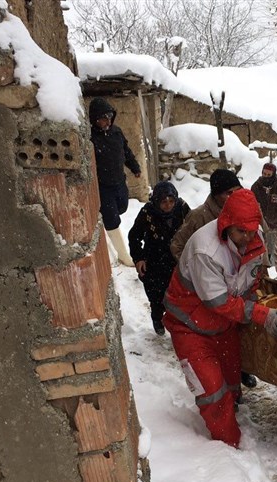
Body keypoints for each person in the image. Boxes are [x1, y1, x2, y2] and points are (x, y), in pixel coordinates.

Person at [163, 189, 277, 448]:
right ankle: (227, 449)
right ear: (226, 224)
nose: (247, 237)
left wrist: (256, 300)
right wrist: (259, 314)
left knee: (232, 380)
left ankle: (234, 418)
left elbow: (250, 281)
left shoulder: (255, 238)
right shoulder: (205, 251)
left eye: (252, 230)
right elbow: (218, 301)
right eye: (241, 231)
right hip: (189, 326)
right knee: (213, 391)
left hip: (223, 325)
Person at [128, 181, 191, 336]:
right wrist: (139, 258)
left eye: (171, 201)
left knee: (180, 296)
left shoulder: (182, 208)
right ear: (156, 201)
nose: (168, 205)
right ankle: (157, 318)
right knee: (157, 297)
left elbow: (192, 229)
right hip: (155, 261)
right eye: (163, 202)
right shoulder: (147, 213)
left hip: (177, 260)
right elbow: (134, 236)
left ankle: (179, 326)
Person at [89, 97, 141, 267]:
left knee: (123, 207)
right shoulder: (91, 139)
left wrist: (134, 167)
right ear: (95, 119)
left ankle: (108, 222)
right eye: (103, 118)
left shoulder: (116, 132)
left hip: (119, 182)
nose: (107, 121)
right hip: (104, 186)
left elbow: (126, 151)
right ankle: (122, 254)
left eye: (109, 116)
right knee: (112, 219)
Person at [170, 168, 242, 260]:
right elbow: (177, 246)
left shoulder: (243, 211)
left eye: (238, 191)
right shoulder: (198, 216)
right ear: (216, 195)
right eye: (229, 193)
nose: (234, 196)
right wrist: (195, 270)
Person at [251, 162, 277, 266]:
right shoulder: (256, 186)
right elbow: (253, 204)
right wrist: (262, 220)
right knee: (263, 251)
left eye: (268, 175)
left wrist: (275, 218)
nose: (266, 176)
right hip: (262, 225)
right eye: (264, 174)